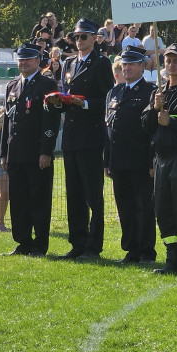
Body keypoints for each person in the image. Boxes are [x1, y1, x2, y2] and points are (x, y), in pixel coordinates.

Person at [48, 18, 115, 261]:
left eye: (83, 37)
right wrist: (59, 103)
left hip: (92, 136)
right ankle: (77, 243)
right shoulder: (68, 63)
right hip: (72, 138)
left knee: (92, 195)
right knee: (74, 193)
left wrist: (84, 103)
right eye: (75, 37)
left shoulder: (101, 63)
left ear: (95, 38)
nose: (78, 41)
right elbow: (66, 96)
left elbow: (109, 99)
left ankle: (94, 246)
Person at [0, 43, 59, 256]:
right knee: (19, 201)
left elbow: (51, 122)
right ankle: (23, 242)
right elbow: (7, 122)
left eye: (28, 59)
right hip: (15, 153)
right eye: (21, 59)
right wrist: (3, 153)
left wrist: (46, 151)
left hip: (37, 154)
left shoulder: (47, 85)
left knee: (39, 200)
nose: (23, 63)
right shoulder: (12, 86)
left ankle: (40, 244)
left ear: (37, 61)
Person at [143, 44, 177, 275]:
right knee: (163, 208)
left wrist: (171, 122)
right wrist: (154, 110)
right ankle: (170, 258)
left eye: (176, 60)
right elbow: (145, 125)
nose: (171, 64)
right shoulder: (159, 92)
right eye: (168, 60)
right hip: (160, 158)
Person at [105, 48, 157, 263]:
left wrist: (152, 161)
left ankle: (146, 251)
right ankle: (131, 249)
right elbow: (108, 128)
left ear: (142, 66)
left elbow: (153, 130)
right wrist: (107, 160)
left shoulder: (150, 92)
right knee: (125, 207)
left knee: (143, 207)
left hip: (140, 160)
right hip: (118, 160)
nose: (127, 68)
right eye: (124, 64)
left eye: (132, 64)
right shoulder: (114, 92)